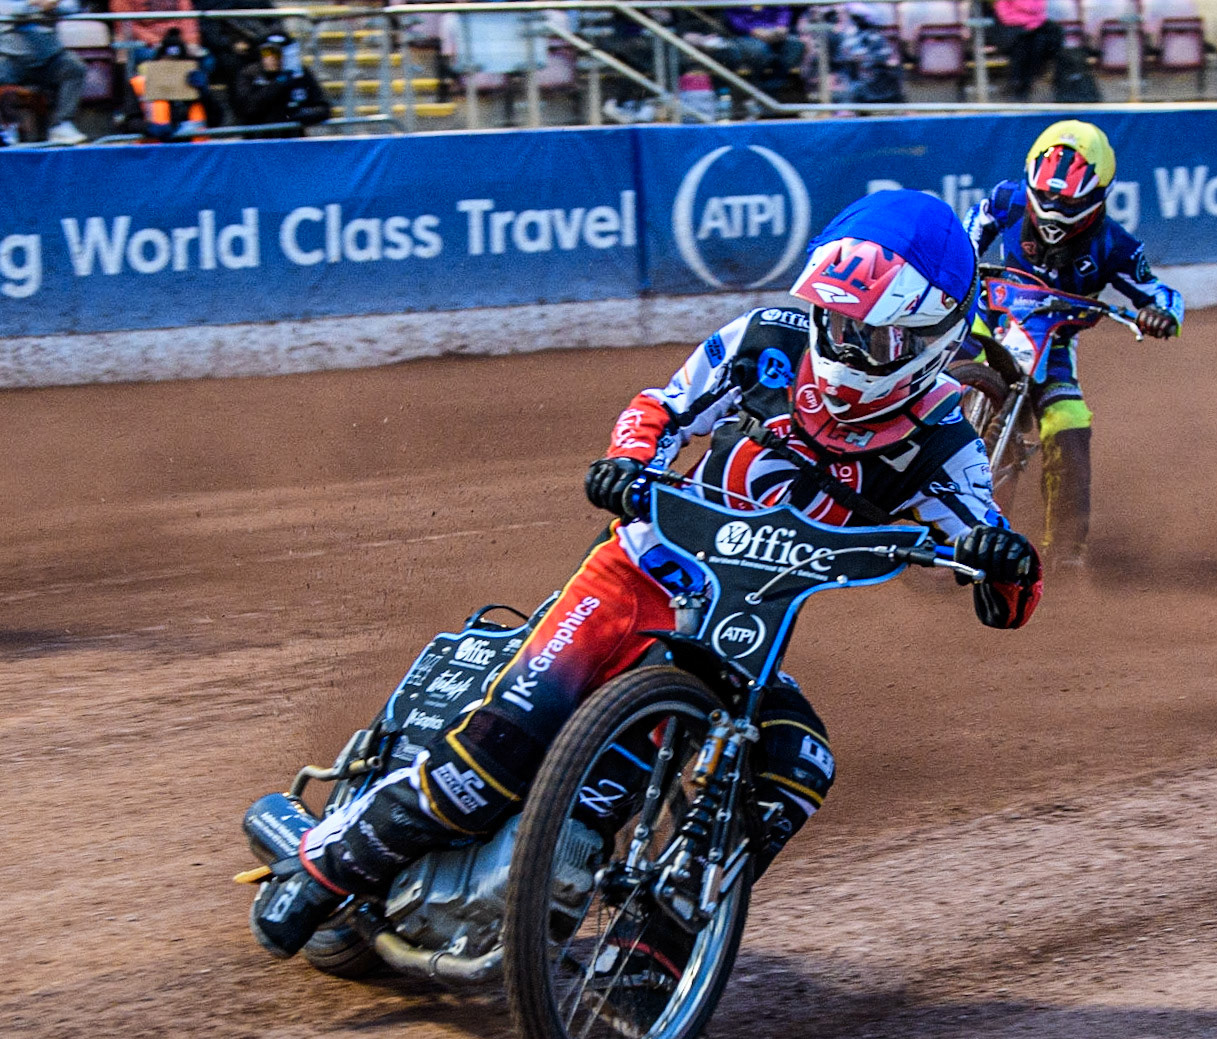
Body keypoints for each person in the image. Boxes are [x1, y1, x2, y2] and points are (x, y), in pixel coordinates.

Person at [247, 190, 1045, 960]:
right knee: (490, 760)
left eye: (869, 337)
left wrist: (1004, 565)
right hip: (636, 574)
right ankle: (323, 868)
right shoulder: (769, 336)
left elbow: (997, 568)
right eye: (834, 321)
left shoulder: (945, 442)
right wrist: (629, 465)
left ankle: (651, 959)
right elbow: (663, 406)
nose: (840, 347)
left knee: (798, 767)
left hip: (740, 639)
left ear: (933, 338)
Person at [963, 119, 1182, 568]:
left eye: (1068, 201)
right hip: (989, 318)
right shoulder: (1008, 198)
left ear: (1097, 195)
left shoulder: (1114, 246)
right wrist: (959, 265)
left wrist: (1161, 315)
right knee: (936, 366)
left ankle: (1065, 553)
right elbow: (973, 227)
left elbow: (1160, 293)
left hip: (1054, 342)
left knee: (1069, 420)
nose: (1053, 209)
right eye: (1045, 197)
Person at [0, 0, 86, 145]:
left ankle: (61, 124)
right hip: (11, 58)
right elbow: (6, 8)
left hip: (50, 58)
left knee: (74, 67)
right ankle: (6, 129)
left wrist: (55, 5)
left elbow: (73, 6)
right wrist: (35, 4)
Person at [228, 33, 329, 134]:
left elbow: (323, 108)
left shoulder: (299, 74)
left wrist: (300, 114)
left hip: (291, 138)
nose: (271, 58)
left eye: (277, 53)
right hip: (259, 139)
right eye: (267, 53)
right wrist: (279, 82)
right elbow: (247, 108)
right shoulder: (250, 74)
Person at [119, 28, 209, 142]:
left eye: (177, 63)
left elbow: (215, 120)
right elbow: (129, 122)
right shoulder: (138, 84)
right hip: (156, 153)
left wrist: (205, 95)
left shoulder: (195, 84)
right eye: (167, 63)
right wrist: (148, 128)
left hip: (194, 152)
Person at [991, 0, 1063, 101]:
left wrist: (1032, 25)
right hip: (1010, 29)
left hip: (1034, 29)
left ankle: (1025, 84)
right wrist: (1027, 24)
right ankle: (1017, 86)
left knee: (1044, 38)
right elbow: (1007, 15)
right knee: (1024, 43)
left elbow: (1036, 9)